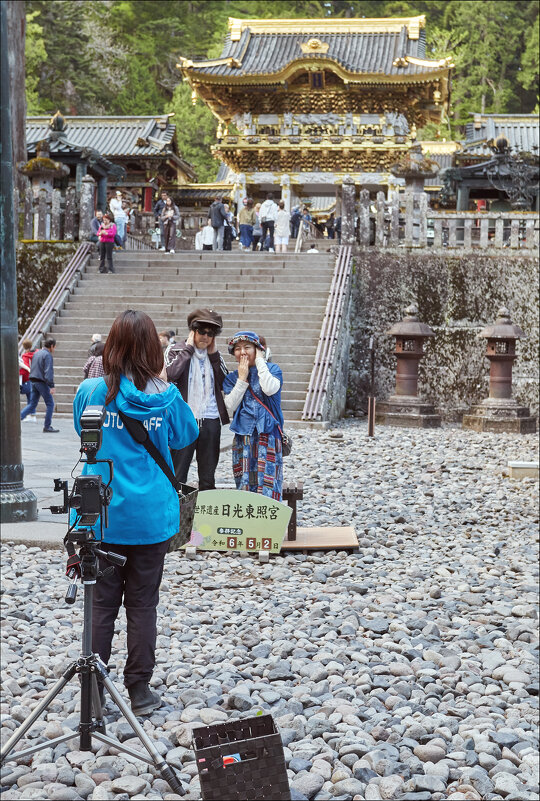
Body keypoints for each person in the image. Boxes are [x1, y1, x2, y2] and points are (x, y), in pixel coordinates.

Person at [73, 310, 198, 715]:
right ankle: (139, 690)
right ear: (152, 349)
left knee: (102, 605)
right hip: (150, 519)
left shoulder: (91, 391)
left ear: (110, 345)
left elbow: (83, 431)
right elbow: (187, 435)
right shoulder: (166, 396)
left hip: (101, 517)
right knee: (143, 605)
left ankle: (93, 693)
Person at [166, 309, 229, 490]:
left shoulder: (215, 356)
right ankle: (177, 513)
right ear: (192, 331)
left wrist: (214, 356)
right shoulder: (175, 350)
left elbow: (225, 383)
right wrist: (188, 349)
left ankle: (206, 515)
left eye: (211, 333)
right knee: (178, 473)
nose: (206, 337)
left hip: (210, 418)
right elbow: (170, 374)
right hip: (185, 418)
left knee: (208, 476)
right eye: (202, 331)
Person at [223, 331, 284, 501]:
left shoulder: (272, 370)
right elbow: (230, 405)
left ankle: (270, 524)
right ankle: (247, 522)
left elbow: (270, 389)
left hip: (269, 433)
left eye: (247, 347)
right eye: (237, 349)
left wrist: (259, 361)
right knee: (244, 480)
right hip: (244, 435)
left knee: (269, 480)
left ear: (257, 349)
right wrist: (242, 379)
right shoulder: (231, 378)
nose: (242, 352)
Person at [20, 337, 58, 433]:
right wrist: (51, 385)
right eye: (54, 347)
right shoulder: (47, 355)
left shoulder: (37, 353)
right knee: (50, 403)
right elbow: (48, 371)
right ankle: (47, 426)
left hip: (32, 380)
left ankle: (18, 418)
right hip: (41, 381)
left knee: (32, 404)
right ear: (52, 346)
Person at [19, 339, 36, 409]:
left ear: (23, 347)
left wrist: (19, 373)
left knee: (29, 396)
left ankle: (29, 413)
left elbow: (25, 370)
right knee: (31, 397)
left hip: (28, 379)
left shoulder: (25, 357)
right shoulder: (36, 354)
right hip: (35, 377)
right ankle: (32, 413)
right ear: (31, 346)